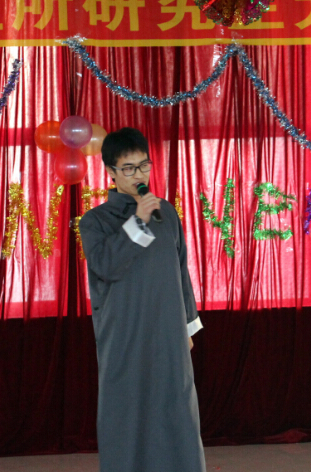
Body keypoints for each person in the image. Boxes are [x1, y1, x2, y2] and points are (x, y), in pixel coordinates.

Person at [79, 127, 205, 472]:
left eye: (144, 165)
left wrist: (188, 326)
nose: (139, 175)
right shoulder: (95, 221)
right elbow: (106, 265)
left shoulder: (168, 213)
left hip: (168, 331)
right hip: (124, 336)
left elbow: (181, 270)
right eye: (129, 168)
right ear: (111, 172)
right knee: (127, 413)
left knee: (176, 410)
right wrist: (138, 220)